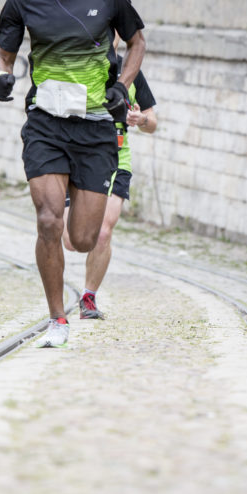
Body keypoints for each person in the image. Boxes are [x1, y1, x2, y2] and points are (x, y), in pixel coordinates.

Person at [0, 0, 146, 348]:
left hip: (96, 128)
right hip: (46, 124)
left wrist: (122, 85)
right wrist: (3, 76)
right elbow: (4, 54)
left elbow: (137, 42)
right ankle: (57, 319)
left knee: (82, 238)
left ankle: (77, 200)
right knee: (46, 221)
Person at [63, 45, 157, 319]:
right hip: (78, 156)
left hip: (117, 159)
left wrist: (140, 119)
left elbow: (153, 122)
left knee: (103, 232)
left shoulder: (130, 70)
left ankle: (88, 298)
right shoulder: (76, 63)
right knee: (71, 241)